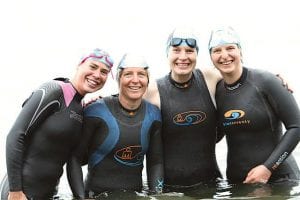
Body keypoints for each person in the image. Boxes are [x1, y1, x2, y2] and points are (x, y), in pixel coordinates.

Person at [1, 48, 114, 200]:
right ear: (79, 65)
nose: (97, 75)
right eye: (93, 67)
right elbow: (15, 135)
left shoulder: (81, 109)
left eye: (104, 72)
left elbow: (75, 160)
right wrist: (15, 192)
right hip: (19, 193)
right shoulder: (54, 90)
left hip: (48, 194)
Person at [209, 26, 300, 184]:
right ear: (211, 57)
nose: (224, 55)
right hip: (238, 184)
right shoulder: (215, 91)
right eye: (217, 51)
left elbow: (296, 126)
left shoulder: (266, 81)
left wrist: (268, 168)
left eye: (230, 48)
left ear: (240, 52)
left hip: (278, 180)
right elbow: (214, 135)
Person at [67, 53, 164, 199]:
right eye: (128, 74)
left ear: (148, 80)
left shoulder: (154, 115)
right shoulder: (96, 111)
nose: (135, 80)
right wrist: (81, 197)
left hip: (135, 196)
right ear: (118, 79)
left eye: (141, 75)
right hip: (96, 196)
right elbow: (74, 159)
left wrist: (157, 195)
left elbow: (155, 162)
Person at [143, 27, 223, 190]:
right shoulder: (153, 90)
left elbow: (244, 80)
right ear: (168, 54)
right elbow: (123, 101)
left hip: (212, 186)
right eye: (176, 50)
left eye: (189, 51)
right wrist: (98, 99)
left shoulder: (210, 77)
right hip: (171, 189)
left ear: (196, 54)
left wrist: (277, 80)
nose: (183, 57)